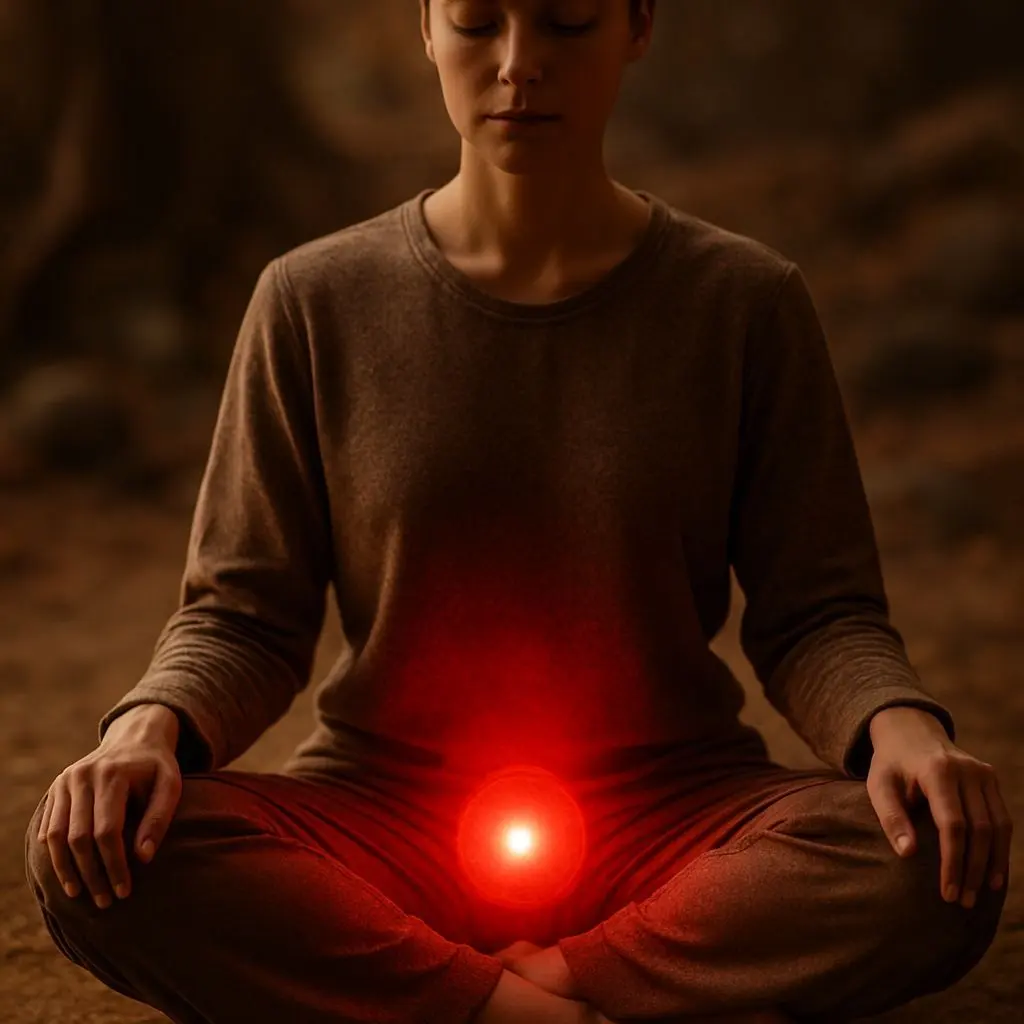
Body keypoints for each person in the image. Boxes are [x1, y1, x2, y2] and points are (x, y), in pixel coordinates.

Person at [24, 1, 1012, 1022]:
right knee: (101, 853)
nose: (517, 63)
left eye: (566, 22)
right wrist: (146, 728)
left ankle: (535, 982)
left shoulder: (743, 302)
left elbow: (818, 611)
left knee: (931, 857)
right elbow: (242, 612)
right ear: (426, 27)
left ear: (637, 25)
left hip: (670, 818)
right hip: (385, 818)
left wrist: (898, 729)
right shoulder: (312, 300)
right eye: (476, 21)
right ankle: (521, 1004)